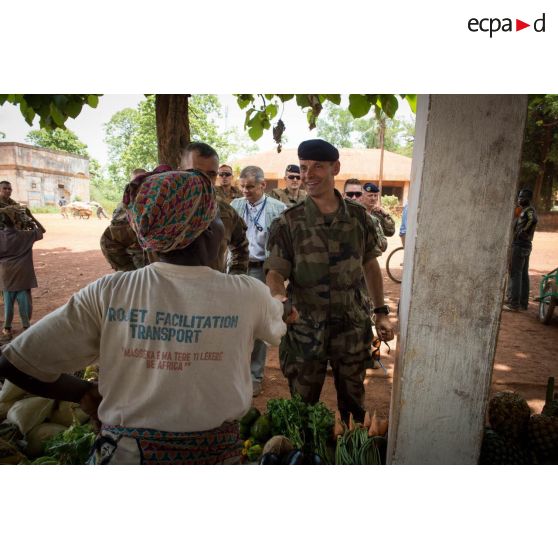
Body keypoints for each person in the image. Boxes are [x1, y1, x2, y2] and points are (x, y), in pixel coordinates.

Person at [0, 169, 287, 465]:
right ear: (207, 230)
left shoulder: (109, 292)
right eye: (216, 218)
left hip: (123, 456)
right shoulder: (247, 293)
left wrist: (84, 392)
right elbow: (276, 330)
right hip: (214, 457)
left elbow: (14, 362)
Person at [265, 139, 395, 424]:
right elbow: (275, 272)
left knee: (353, 406)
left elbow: (370, 265)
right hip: (304, 330)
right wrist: (279, 299)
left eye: (317, 167)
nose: (309, 174)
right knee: (301, 408)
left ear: (335, 167)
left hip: (351, 328)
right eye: (303, 167)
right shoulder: (288, 222)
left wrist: (381, 312)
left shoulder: (359, 218)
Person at [231, 166, 287, 396]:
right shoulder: (234, 206)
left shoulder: (278, 209)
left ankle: (254, 376)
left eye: (250, 186)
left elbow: (283, 246)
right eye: (242, 186)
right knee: (234, 323)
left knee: (257, 323)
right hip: (234, 271)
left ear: (263, 185)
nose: (245, 190)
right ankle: (234, 374)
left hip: (262, 272)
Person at [178, 142, 249, 274]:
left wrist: (234, 278)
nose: (204, 179)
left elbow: (241, 247)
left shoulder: (225, 212)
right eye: (196, 172)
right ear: (180, 171)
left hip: (214, 292)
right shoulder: (163, 211)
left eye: (211, 174)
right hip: (168, 292)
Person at [0, 213, 43, 344]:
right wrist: (31, 218)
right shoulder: (25, 235)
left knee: (8, 303)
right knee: (24, 302)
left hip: (6, 274)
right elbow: (41, 231)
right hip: (23, 274)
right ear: (16, 222)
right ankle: (26, 327)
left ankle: (7, 329)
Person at [100, 168, 151, 271]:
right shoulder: (123, 207)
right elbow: (109, 241)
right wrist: (128, 270)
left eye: (142, 181)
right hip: (139, 261)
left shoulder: (154, 201)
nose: (138, 185)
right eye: (135, 182)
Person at [504, 188, 538, 312]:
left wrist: (523, 231)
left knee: (515, 273)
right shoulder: (524, 210)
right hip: (526, 245)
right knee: (523, 274)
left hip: (520, 245)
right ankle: (522, 303)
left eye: (521, 198)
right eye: (519, 197)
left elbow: (533, 219)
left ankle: (514, 304)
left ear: (527, 199)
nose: (519, 200)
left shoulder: (528, 211)